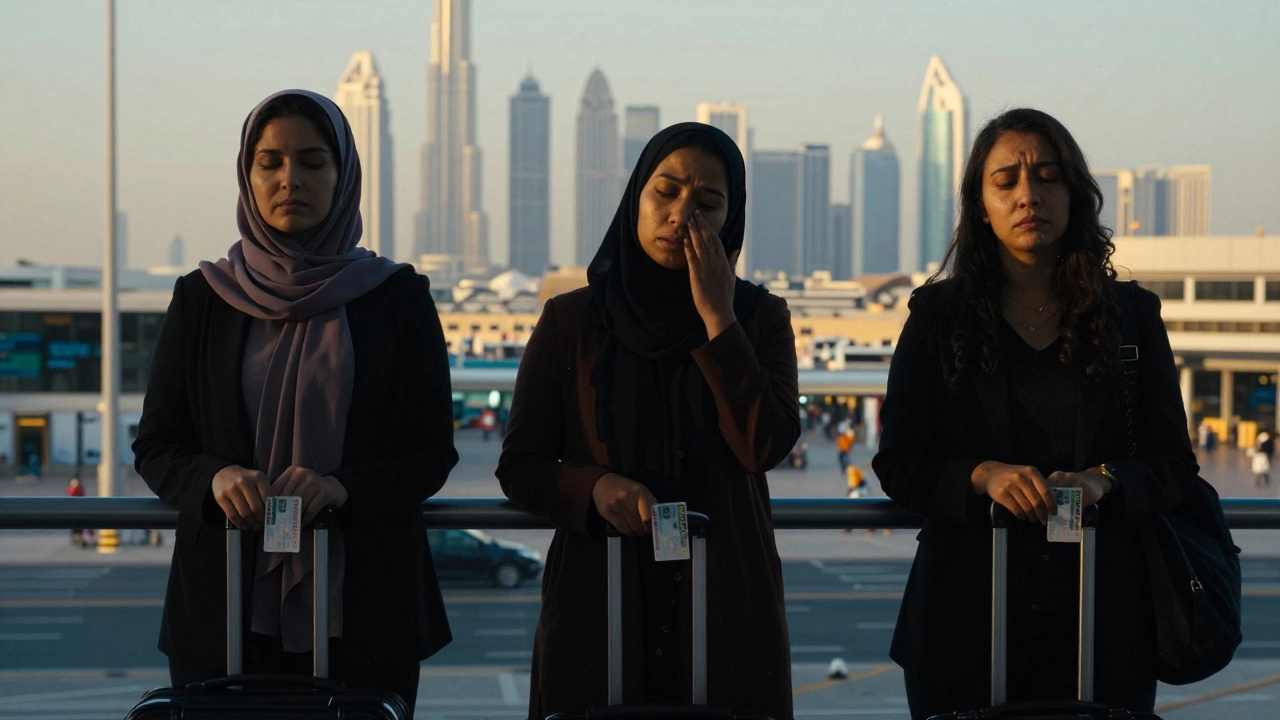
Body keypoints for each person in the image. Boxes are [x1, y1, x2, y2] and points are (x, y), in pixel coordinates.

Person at [131, 89, 458, 717]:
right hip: (224, 603)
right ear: (246, 175)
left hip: (363, 608)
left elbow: (431, 451)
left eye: (312, 162)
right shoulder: (203, 297)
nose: (290, 180)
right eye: (270, 162)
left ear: (343, 175)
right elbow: (156, 444)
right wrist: (215, 477)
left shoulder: (396, 297)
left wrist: (343, 489)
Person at [871, 108, 1200, 718]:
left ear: (1075, 192)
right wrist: (982, 475)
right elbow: (899, 463)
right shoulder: (936, 318)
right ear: (980, 202)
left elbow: (1174, 464)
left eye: (1048, 177)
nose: (1029, 195)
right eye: (1007, 181)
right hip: (967, 613)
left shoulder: (1130, 316)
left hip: (1104, 620)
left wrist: (1105, 481)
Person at [496, 123, 799, 718]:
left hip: (725, 600)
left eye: (709, 202)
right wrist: (594, 487)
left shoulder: (760, 317)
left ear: (731, 221)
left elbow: (764, 444)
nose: (684, 214)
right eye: (666, 192)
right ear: (636, 198)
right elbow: (521, 464)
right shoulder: (571, 321)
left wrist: (719, 318)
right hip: (601, 598)